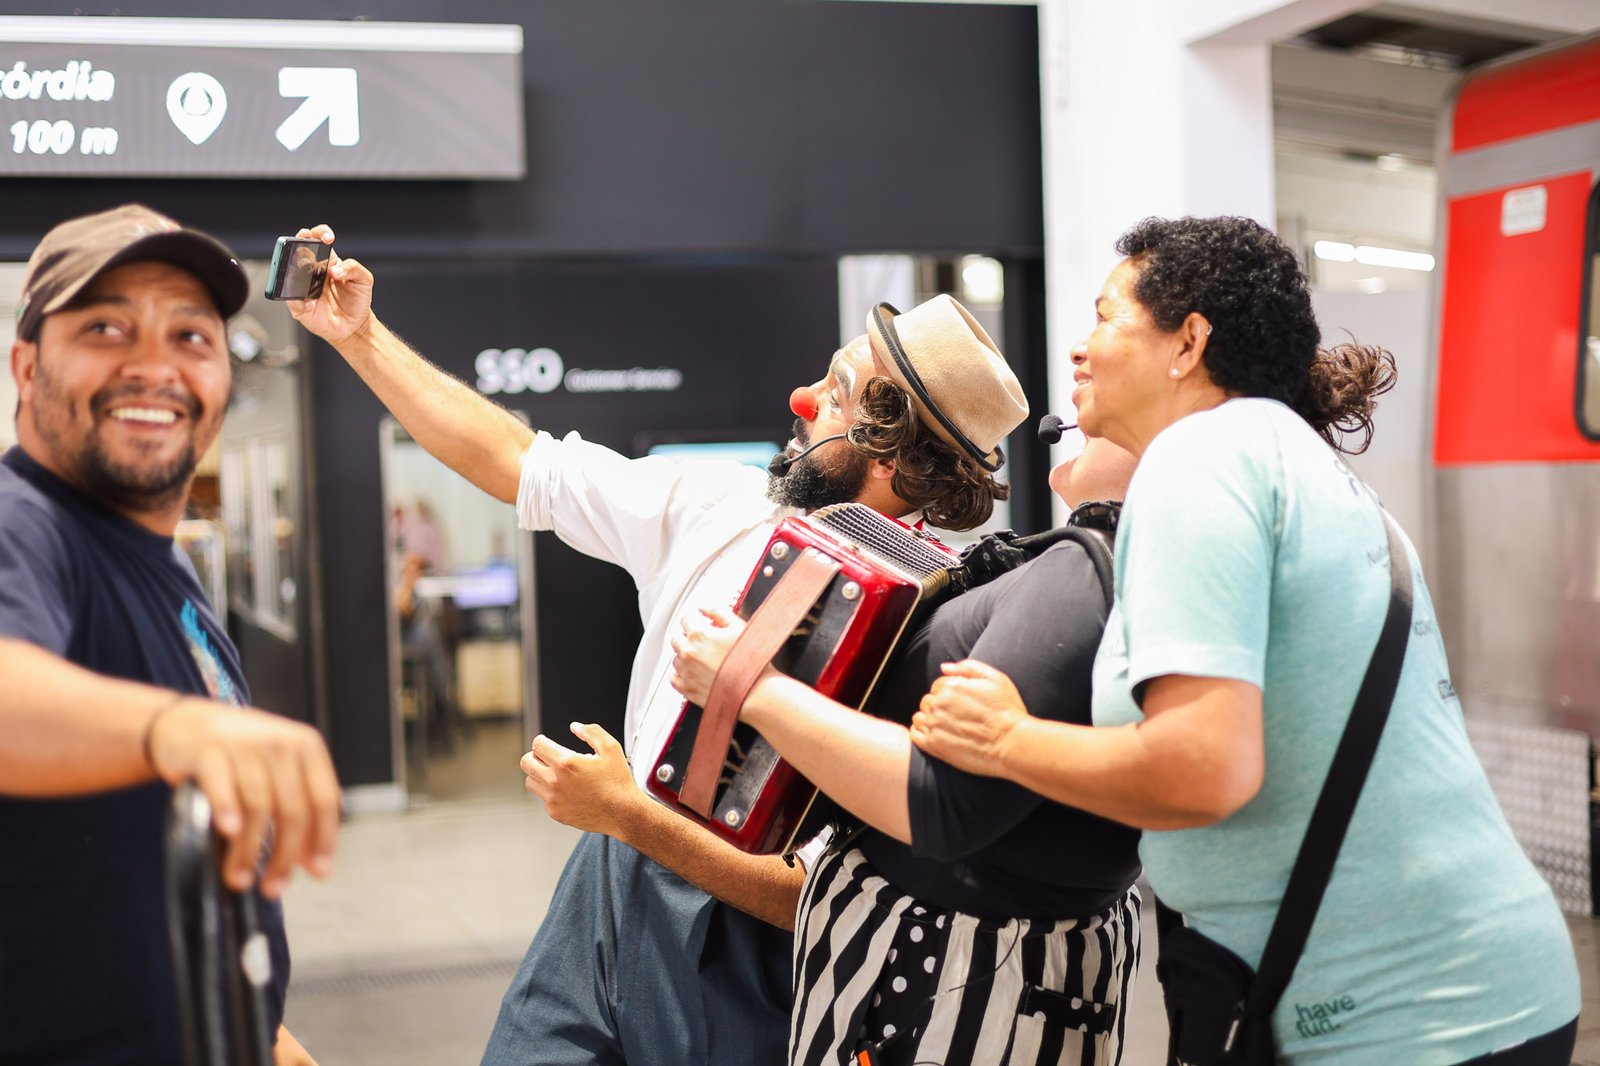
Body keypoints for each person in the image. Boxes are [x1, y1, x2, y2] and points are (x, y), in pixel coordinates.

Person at [283, 223, 1029, 1066]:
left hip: (750, 948)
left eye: (836, 390)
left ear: (888, 447)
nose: (800, 397)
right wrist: (362, 337)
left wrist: (632, 815)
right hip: (607, 879)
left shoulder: (946, 629)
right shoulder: (719, 504)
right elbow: (514, 458)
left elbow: (810, 898)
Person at [909, 215, 1581, 1064]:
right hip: (1477, 988)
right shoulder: (1289, 461)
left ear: (1188, 342)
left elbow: (1203, 769)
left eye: (1107, 317)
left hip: (1406, 1020)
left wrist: (1008, 741)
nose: (1079, 349)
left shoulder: (1203, 463)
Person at [670, 434, 1143, 1066]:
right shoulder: (1093, 567)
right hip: (956, 971)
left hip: (951, 983)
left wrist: (751, 686)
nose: (1081, 370)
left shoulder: (1085, 573)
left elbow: (942, 804)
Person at [0, 204, 341, 1064]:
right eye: (107, 327)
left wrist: (266, 1036)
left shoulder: (165, 573)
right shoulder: (21, 524)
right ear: (26, 365)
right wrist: (176, 728)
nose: (154, 367)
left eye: (192, 336)